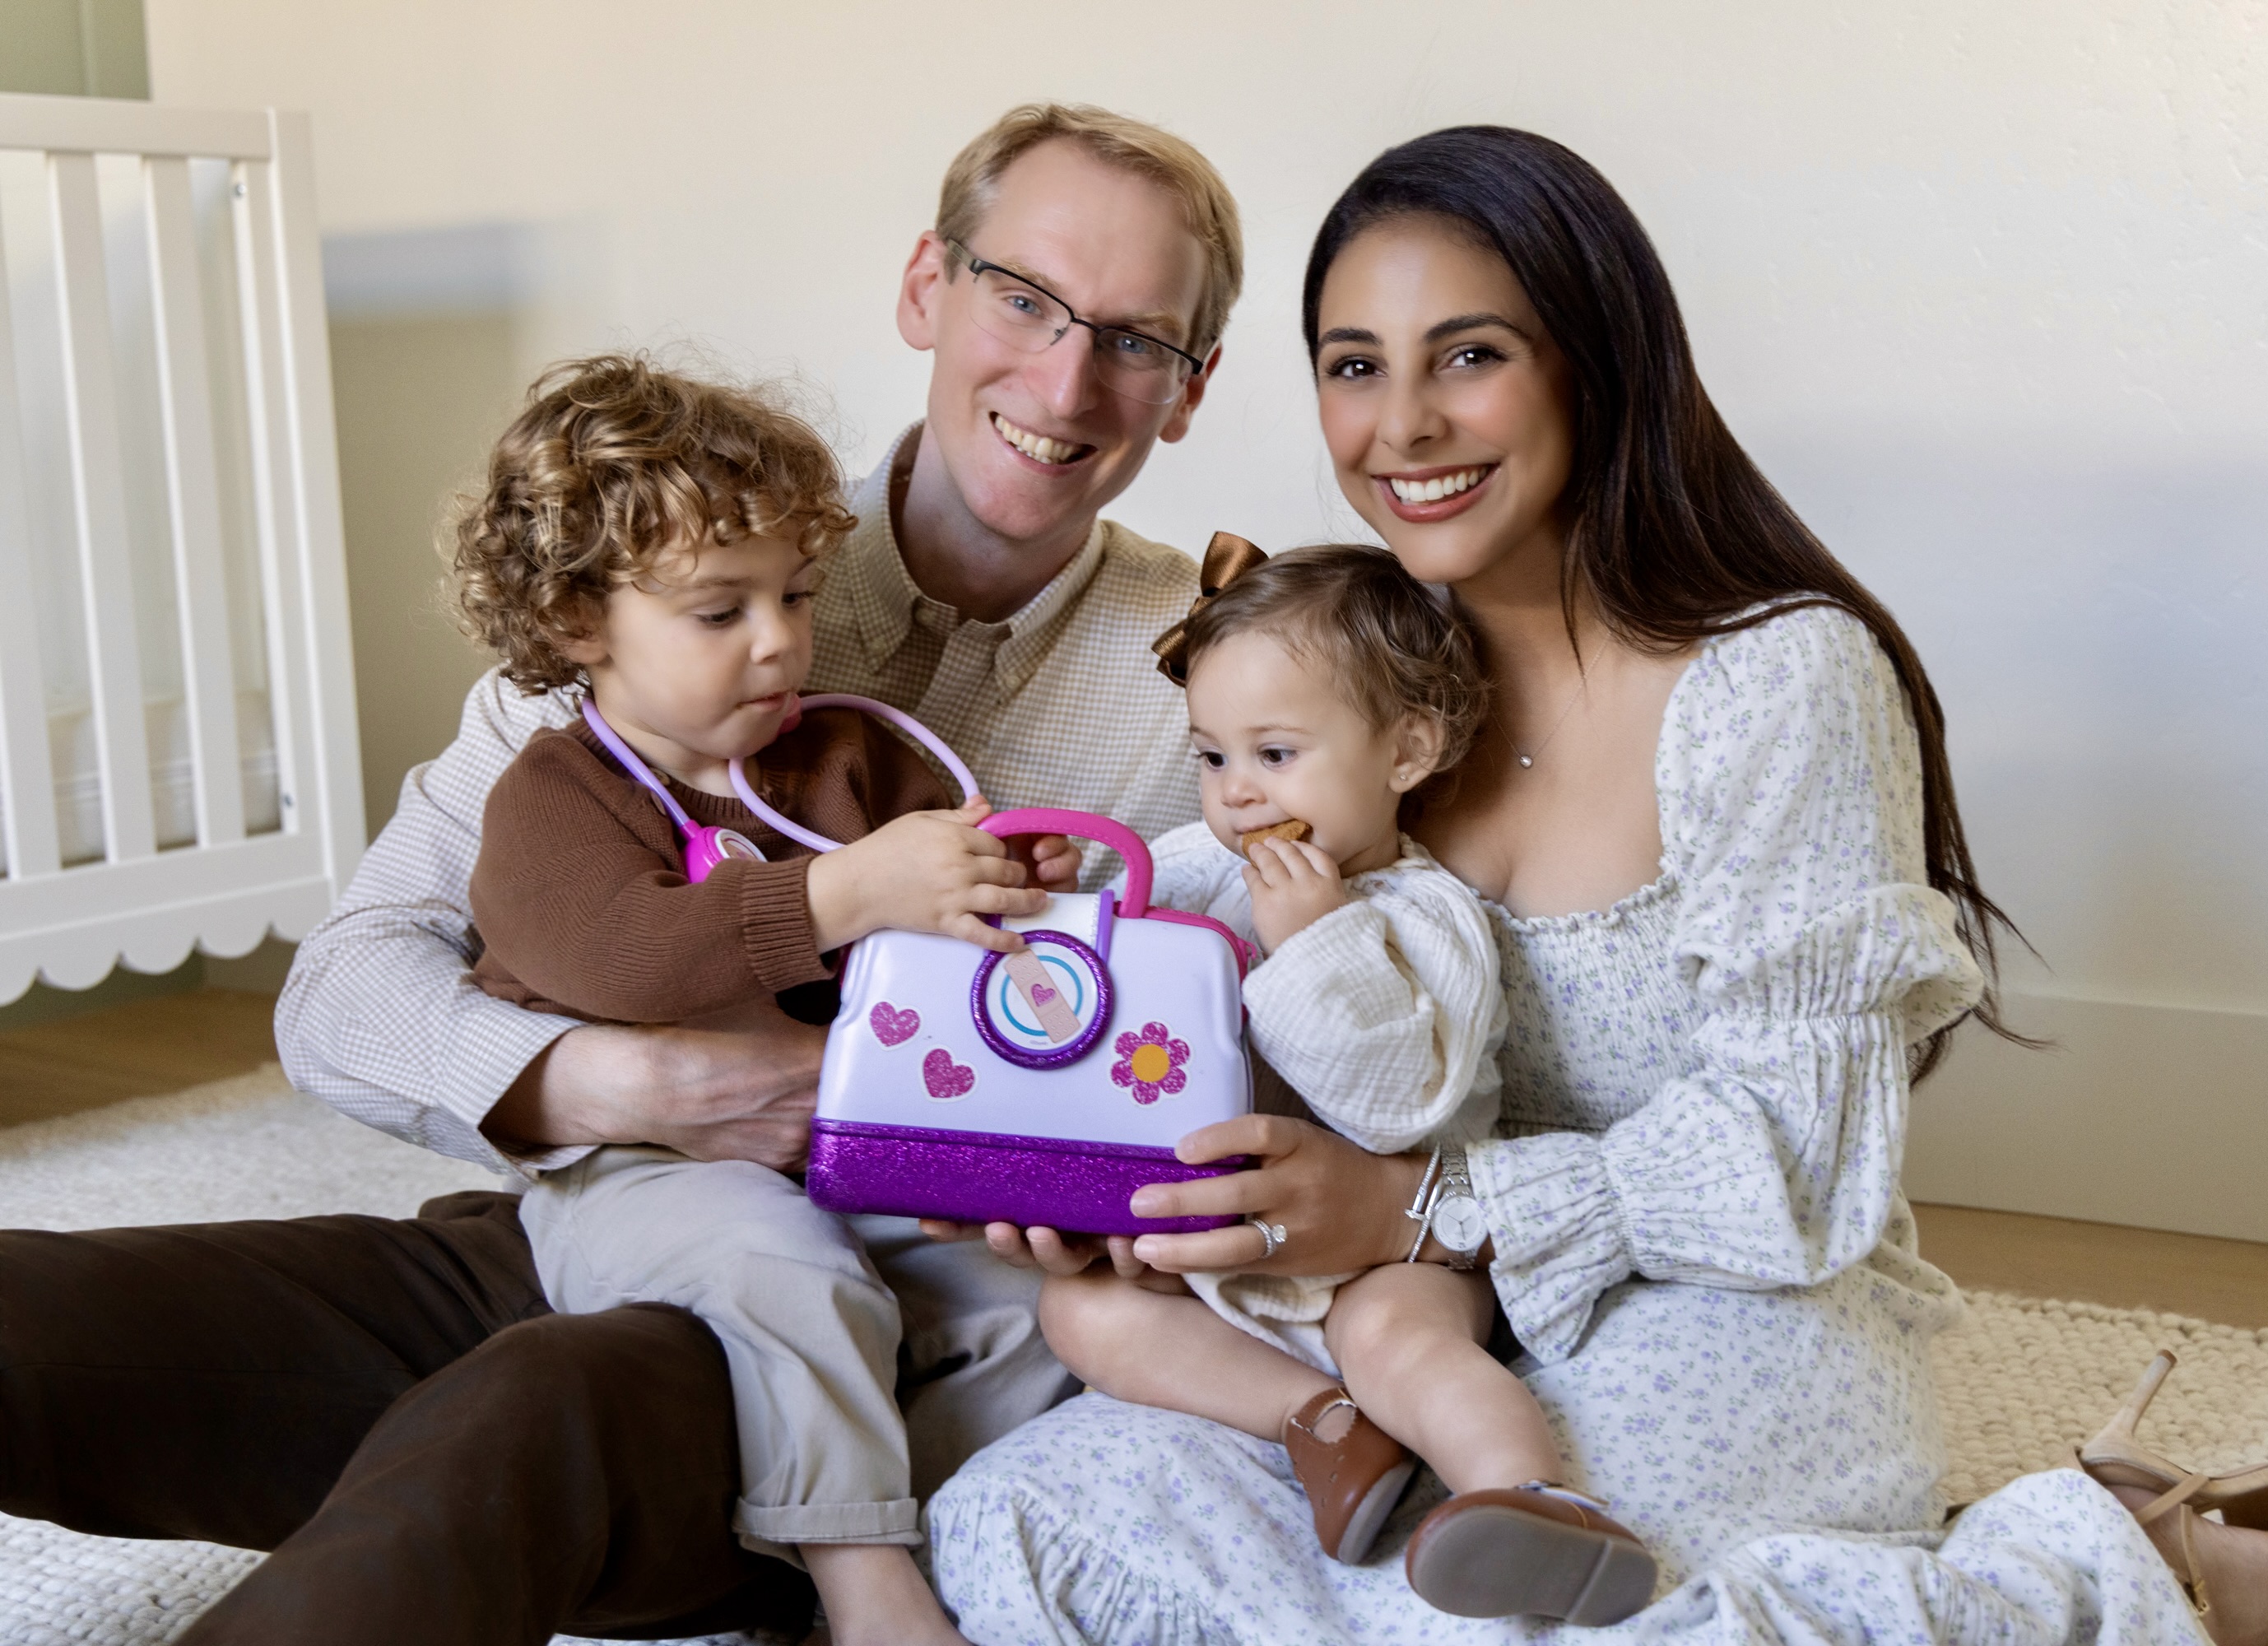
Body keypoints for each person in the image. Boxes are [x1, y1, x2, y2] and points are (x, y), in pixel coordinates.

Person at [923, 127, 2268, 1646]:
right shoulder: (1347, 682)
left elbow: (1801, 1152)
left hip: (1720, 1308)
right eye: (1355, 365)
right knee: (1019, 1533)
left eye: (1471, 355)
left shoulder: (1778, 681)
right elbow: (1256, 968)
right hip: (1401, 1333)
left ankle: (2129, 1570)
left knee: (1471, 1629)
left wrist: (1422, 1209)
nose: (1406, 424)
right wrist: (1121, 1179)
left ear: (1597, 364)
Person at [0, 102, 1240, 1643]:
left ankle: (838, 1560)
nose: (1064, 380)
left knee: (527, 1413)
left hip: (854, 1325)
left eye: (1134, 338)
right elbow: (340, 994)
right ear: (928, 285)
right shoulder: (651, 567)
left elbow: (1216, 1063)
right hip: (581, 1219)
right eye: (1026, 298)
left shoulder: (1221, 680)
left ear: (1192, 389)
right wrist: (625, 1089)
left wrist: (1075, 1164)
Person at [454, 356, 1085, 1644]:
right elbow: (628, 958)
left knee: (1047, 1311)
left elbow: (944, 958)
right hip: (640, 1174)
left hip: (855, 1154)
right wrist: (841, 897)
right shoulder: (549, 806)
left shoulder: (851, 754)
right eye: (717, 610)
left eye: (794, 595)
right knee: (786, 1266)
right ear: (580, 621)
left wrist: (1001, 884)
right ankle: (863, 1586)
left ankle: (842, 1532)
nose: (781, 640)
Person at [1038, 542, 1656, 1624]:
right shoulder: (1198, 867)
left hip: (1395, 1250)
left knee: (1394, 1342)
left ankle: (1532, 1503)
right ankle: (1320, 1423)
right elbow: (1108, 967)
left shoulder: (1424, 917)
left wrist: (1317, 947)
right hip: (1233, 1265)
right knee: (1080, 1313)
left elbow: (1396, 1105)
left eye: (1275, 754)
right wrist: (1062, 904)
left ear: (1407, 750)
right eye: (1212, 756)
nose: (1236, 796)